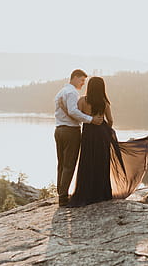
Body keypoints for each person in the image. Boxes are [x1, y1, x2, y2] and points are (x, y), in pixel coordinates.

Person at [67, 76, 148, 208]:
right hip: (101, 135)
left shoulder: (82, 101)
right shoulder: (104, 102)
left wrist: (89, 119)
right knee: (101, 163)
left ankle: (85, 193)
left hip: (88, 135)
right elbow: (110, 120)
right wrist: (106, 130)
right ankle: (101, 194)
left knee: (87, 162)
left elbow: (78, 116)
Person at [54, 69, 103, 206]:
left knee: (61, 164)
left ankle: (61, 193)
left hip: (59, 130)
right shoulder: (72, 92)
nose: (82, 84)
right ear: (75, 78)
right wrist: (90, 119)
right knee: (69, 165)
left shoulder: (61, 92)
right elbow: (73, 111)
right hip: (70, 131)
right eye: (82, 80)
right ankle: (63, 198)